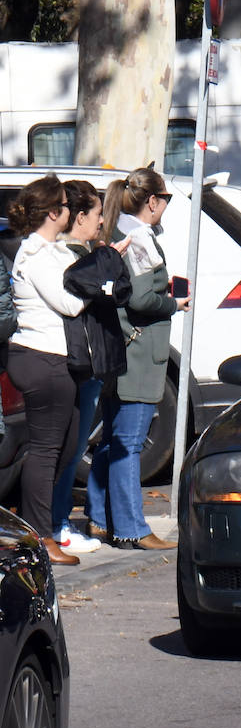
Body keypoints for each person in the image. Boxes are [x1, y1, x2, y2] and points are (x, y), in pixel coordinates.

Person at [87, 168, 183, 551]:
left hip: (121, 349)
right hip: (140, 354)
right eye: (166, 200)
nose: (165, 207)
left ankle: (99, 518)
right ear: (153, 202)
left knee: (112, 439)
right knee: (128, 444)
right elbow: (142, 298)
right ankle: (131, 528)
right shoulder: (139, 238)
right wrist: (173, 303)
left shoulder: (116, 230)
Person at [7, 175, 87, 564]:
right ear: (53, 212)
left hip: (59, 358)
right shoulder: (35, 255)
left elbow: (76, 278)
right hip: (40, 357)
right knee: (45, 450)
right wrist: (96, 285)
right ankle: (40, 537)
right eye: (66, 205)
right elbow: (69, 304)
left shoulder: (56, 251)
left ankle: (31, 527)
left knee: (67, 445)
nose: (72, 209)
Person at [52, 179, 129, 556]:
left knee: (71, 446)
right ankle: (59, 523)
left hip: (86, 365)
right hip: (79, 363)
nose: (101, 222)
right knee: (70, 449)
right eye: (97, 214)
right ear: (80, 216)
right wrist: (107, 259)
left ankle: (60, 521)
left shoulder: (78, 253)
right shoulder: (71, 259)